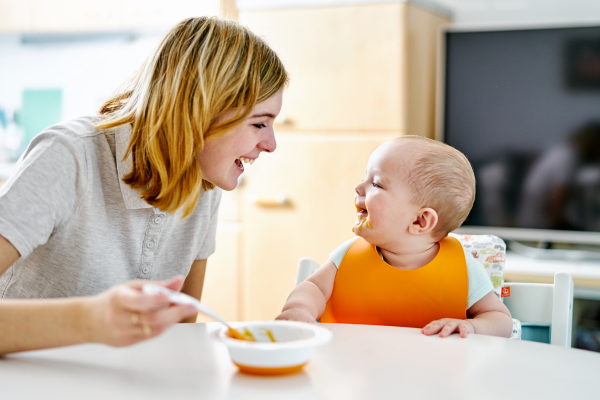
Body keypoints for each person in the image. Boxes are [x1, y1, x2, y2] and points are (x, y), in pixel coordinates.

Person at [0, 16, 288, 353]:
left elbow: (179, 333)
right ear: (199, 111)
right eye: (258, 124)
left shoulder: (204, 180)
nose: (270, 144)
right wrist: (91, 320)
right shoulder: (68, 156)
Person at [276, 136, 512, 338]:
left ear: (420, 221)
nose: (359, 187)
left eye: (376, 184)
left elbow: (500, 320)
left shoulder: (463, 269)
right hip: (356, 374)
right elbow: (314, 288)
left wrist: (471, 326)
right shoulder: (347, 257)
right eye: (365, 178)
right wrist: (300, 309)